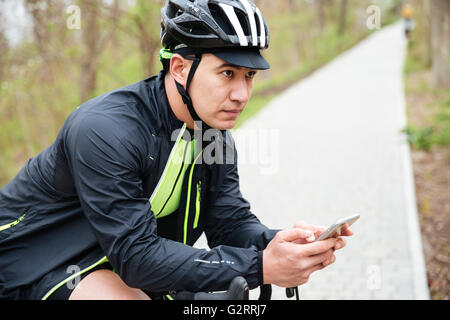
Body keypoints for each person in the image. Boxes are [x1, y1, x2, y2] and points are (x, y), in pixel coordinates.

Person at [0, 0, 352, 300]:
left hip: (117, 259)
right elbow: (136, 256)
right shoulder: (105, 129)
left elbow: (229, 223)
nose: (242, 94)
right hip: (32, 260)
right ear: (180, 68)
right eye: (227, 73)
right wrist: (261, 266)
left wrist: (284, 244)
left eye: (249, 76)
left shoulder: (211, 133)